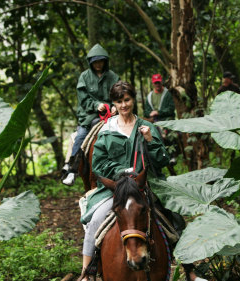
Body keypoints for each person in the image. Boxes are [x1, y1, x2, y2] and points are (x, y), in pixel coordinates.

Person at [78, 81, 206, 281]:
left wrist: (150, 140)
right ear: (114, 103)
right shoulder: (106, 130)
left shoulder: (147, 127)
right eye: (119, 101)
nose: (124, 105)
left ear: (133, 100)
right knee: (96, 220)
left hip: (145, 185)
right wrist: (123, 173)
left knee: (173, 217)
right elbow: (98, 165)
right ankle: (87, 272)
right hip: (116, 189)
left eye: (127, 100)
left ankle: (190, 271)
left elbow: (162, 160)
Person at [62, 43, 120, 186]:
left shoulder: (113, 76)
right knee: (81, 136)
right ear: (91, 63)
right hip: (89, 115)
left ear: (105, 61)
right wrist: (96, 105)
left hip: (111, 114)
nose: (98, 64)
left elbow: (119, 94)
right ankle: (72, 169)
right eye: (95, 62)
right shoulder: (84, 77)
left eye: (101, 61)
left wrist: (114, 105)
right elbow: (83, 99)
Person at [144, 73, 178, 165]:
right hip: (153, 121)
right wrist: (150, 113)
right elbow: (146, 111)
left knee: (167, 135)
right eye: (155, 83)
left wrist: (159, 112)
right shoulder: (149, 96)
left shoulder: (167, 94)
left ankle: (172, 156)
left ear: (161, 82)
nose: (157, 85)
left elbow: (171, 109)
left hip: (166, 120)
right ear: (153, 83)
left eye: (158, 83)